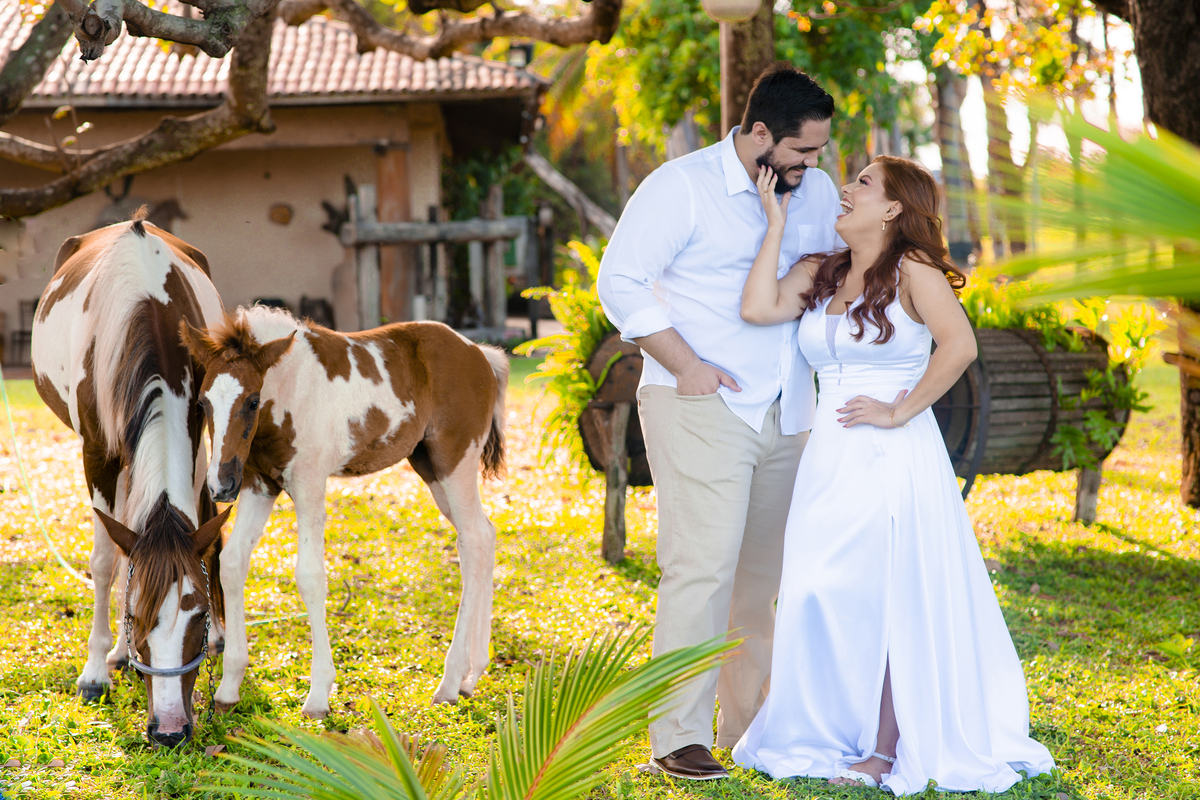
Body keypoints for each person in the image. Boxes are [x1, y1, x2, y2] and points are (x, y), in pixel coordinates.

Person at [730, 155, 1056, 794]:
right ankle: (826, 724)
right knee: (820, 589)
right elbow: (756, 308)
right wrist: (774, 224)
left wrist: (900, 409)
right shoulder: (822, 273)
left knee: (887, 591)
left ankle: (886, 746)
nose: (846, 190)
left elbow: (959, 345)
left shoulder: (913, 269)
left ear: (892, 209)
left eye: (863, 184)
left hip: (889, 452)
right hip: (827, 454)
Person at [596, 64, 843, 780]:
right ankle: (677, 735)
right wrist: (687, 363)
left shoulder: (816, 190)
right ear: (760, 133)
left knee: (761, 578)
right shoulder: (681, 187)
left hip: (790, 406)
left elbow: (836, 268)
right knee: (700, 569)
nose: (813, 166)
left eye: (821, 152)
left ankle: (752, 728)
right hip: (699, 401)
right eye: (802, 152)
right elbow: (620, 279)